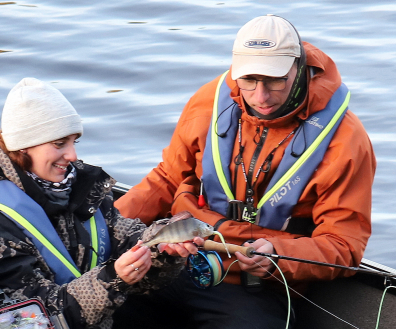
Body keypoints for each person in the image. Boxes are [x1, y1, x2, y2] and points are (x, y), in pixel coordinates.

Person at [113, 14, 376, 329]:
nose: (261, 96)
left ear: (299, 67)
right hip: (177, 261)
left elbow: (344, 246)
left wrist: (277, 254)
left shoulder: (346, 140)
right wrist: (106, 227)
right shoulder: (209, 101)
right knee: (102, 309)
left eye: (275, 80)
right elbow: (167, 179)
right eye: (249, 80)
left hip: (255, 288)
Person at [0, 78, 202, 329]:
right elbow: (37, 315)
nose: (73, 156)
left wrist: (164, 244)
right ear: (23, 147)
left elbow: (128, 236)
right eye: (59, 144)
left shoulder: (78, 185)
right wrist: (113, 278)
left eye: (73, 142)